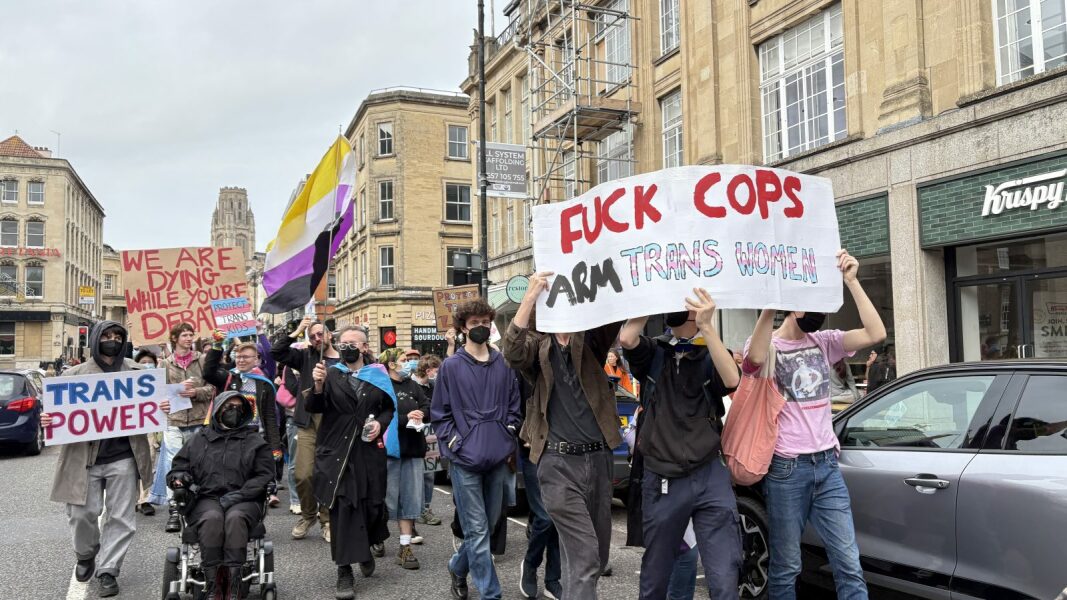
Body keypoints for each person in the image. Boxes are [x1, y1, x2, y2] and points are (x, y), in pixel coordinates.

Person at [744, 249, 886, 600]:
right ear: (793, 306)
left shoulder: (825, 342)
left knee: (848, 562)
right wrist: (770, 306)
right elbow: (753, 360)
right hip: (787, 468)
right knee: (787, 566)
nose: (819, 315)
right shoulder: (770, 345)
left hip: (826, 466)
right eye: (812, 306)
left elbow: (875, 332)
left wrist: (852, 280)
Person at [503, 272, 621, 599]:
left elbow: (615, 311)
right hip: (557, 463)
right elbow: (512, 352)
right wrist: (530, 296)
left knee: (595, 558)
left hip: (598, 460)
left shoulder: (591, 342)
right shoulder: (537, 349)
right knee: (585, 557)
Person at [619, 289, 742, 600]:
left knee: (725, 577)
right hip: (663, 475)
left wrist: (707, 326)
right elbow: (628, 338)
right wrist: (650, 297)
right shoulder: (655, 351)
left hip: (709, 472)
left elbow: (732, 380)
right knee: (655, 577)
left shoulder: (711, 352)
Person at [42, 320, 169, 598]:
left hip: (124, 456)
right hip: (83, 458)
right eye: (107, 335)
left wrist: (162, 404)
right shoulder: (73, 375)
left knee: (121, 517)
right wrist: (49, 419)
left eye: (117, 336)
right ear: (96, 338)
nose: (112, 340)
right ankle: (85, 554)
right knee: (81, 514)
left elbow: (157, 405)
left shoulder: (138, 373)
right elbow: (57, 413)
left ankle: (109, 569)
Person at [432, 300, 521, 600]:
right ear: (463, 327)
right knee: (477, 531)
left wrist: (508, 433)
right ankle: (491, 594)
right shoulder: (451, 366)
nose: (480, 327)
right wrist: (455, 443)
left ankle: (458, 567)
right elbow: (440, 413)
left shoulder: (504, 364)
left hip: (497, 457)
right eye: (474, 323)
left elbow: (514, 406)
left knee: (490, 525)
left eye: (485, 321)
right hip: (464, 461)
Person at [308, 326, 394, 600]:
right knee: (344, 508)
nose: (346, 347)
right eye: (342, 343)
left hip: (368, 452)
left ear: (364, 347)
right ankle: (344, 571)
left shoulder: (378, 375)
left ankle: (365, 547)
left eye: (352, 343)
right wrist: (318, 386)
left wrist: (380, 425)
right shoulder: (330, 374)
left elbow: (388, 407)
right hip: (338, 452)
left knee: (372, 505)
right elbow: (314, 407)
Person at [167, 390, 274, 600]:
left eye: (239, 408)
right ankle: (213, 584)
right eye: (229, 407)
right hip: (206, 497)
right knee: (212, 518)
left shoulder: (254, 441)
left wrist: (239, 496)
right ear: (217, 410)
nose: (234, 411)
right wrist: (179, 478)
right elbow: (178, 468)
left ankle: (234, 585)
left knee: (235, 518)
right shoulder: (199, 440)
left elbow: (265, 475)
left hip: (245, 498)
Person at [271, 316, 341, 541]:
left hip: (335, 425)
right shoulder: (305, 356)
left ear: (329, 335)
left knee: (329, 475)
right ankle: (308, 514)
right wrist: (297, 331)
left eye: (320, 334)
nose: (317, 338)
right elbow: (277, 352)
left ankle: (327, 520)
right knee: (303, 474)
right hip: (308, 422)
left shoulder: (342, 358)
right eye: (312, 336)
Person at [147, 323, 216, 533]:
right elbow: (156, 392)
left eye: (190, 335)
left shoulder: (201, 360)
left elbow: (212, 388)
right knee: (173, 464)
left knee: (198, 464)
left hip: (198, 419)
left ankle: (197, 505)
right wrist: (164, 401)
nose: (188, 338)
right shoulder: (164, 364)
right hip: (174, 421)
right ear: (175, 338)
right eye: (184, 335)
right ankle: (174, 509)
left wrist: (196, 392)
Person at [203, 338, 284, 505]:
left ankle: (250, 512)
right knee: (230, 477)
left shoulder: (265, 384)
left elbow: (269, 417)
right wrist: (217, 346)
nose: (240, 360)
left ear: (256, 360)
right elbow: (208, 372)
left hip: (255, 437)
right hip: (229, 436)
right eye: (238, 356)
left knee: (253, 479)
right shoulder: (227, 377)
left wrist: (275, 446)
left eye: (245, 357)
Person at [379, 347, 431, 568]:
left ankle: (405, 547)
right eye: (403, 359)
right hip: (389, 451)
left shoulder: (412, 385)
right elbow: (380, 415)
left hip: (413, 449)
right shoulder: (382, 387)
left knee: (410, 500)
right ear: (391, 364)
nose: (408, 363)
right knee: (384, 499)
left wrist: (421, 413)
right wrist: (404, 417)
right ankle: (377, 537)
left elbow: (427, 405)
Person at [411, 354, 444, 527]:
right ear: (428, 370)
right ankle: (415, 509)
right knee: (415, 475)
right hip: (415, 433)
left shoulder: (433, 386)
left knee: (429, 475)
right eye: (436, 371)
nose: (437, 375)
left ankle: (425, 508)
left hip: (430, 433)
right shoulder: (411, 386)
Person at [134, 349, 161, 516]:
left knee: (148, 461)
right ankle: (132, 498)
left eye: (150, 363)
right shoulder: (128, 381)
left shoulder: (159, 382)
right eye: (143, 363)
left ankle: (144, 499)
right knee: (130, 465)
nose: (146, 365)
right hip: (130, 428)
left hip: (149, 427)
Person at [275, 364, 302, 514]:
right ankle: (295, 500)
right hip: (295, 417)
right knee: (294, 462)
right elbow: (294, 389)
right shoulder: (291, 366)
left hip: (318, 417)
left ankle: (315, 500)